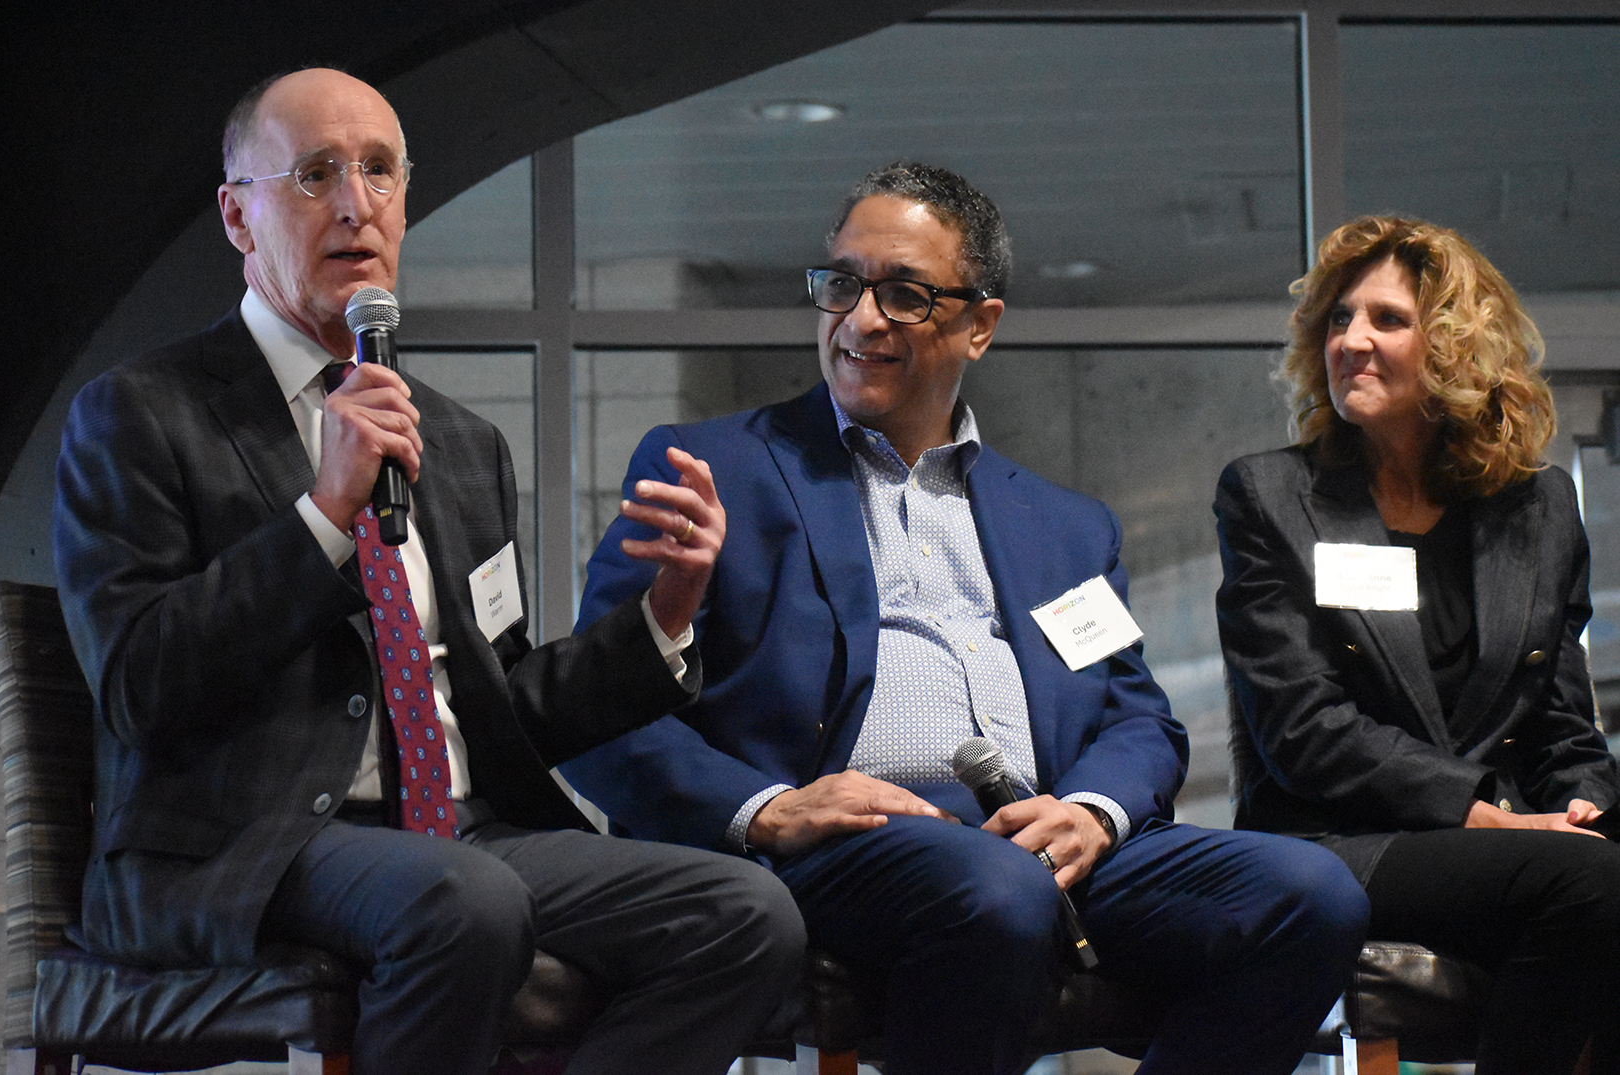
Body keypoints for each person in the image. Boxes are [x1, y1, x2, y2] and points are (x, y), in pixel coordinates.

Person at [52, 67, 805, 1075]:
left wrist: (665, 617)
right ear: (239, 217)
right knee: (463, 898)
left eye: (379, 170)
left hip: (461, 829)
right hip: (246, 844)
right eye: (316, 173)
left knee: (744, 910)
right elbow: (141, 688)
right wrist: (323, 516)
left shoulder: (456, 438)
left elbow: (504, 707)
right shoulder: (141, 412)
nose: (356, 203)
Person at [562, 161, 1369, 1075]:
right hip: (844, 847)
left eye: (904, 294)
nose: (861, 321)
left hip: (1045, 844)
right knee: (996, 890)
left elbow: (1140, 719)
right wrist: (769, 808)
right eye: (841, 286)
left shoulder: (1066, 525)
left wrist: (1094, 813)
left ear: (980, 325)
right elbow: (599, 713)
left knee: (1313, 893)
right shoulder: (714, 470)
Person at [1215, 214, 1620, 1074]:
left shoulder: (1539, 506)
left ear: (1456, 348)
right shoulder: (1269, 495)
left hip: (1501, 838)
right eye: (1338, 318)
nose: (1352, 340)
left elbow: (1561, 719)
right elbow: (1302, 730)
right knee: (1589, 883)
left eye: (1386, 320)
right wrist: (1487, 814)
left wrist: (1583, 801)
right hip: (1341, 840)